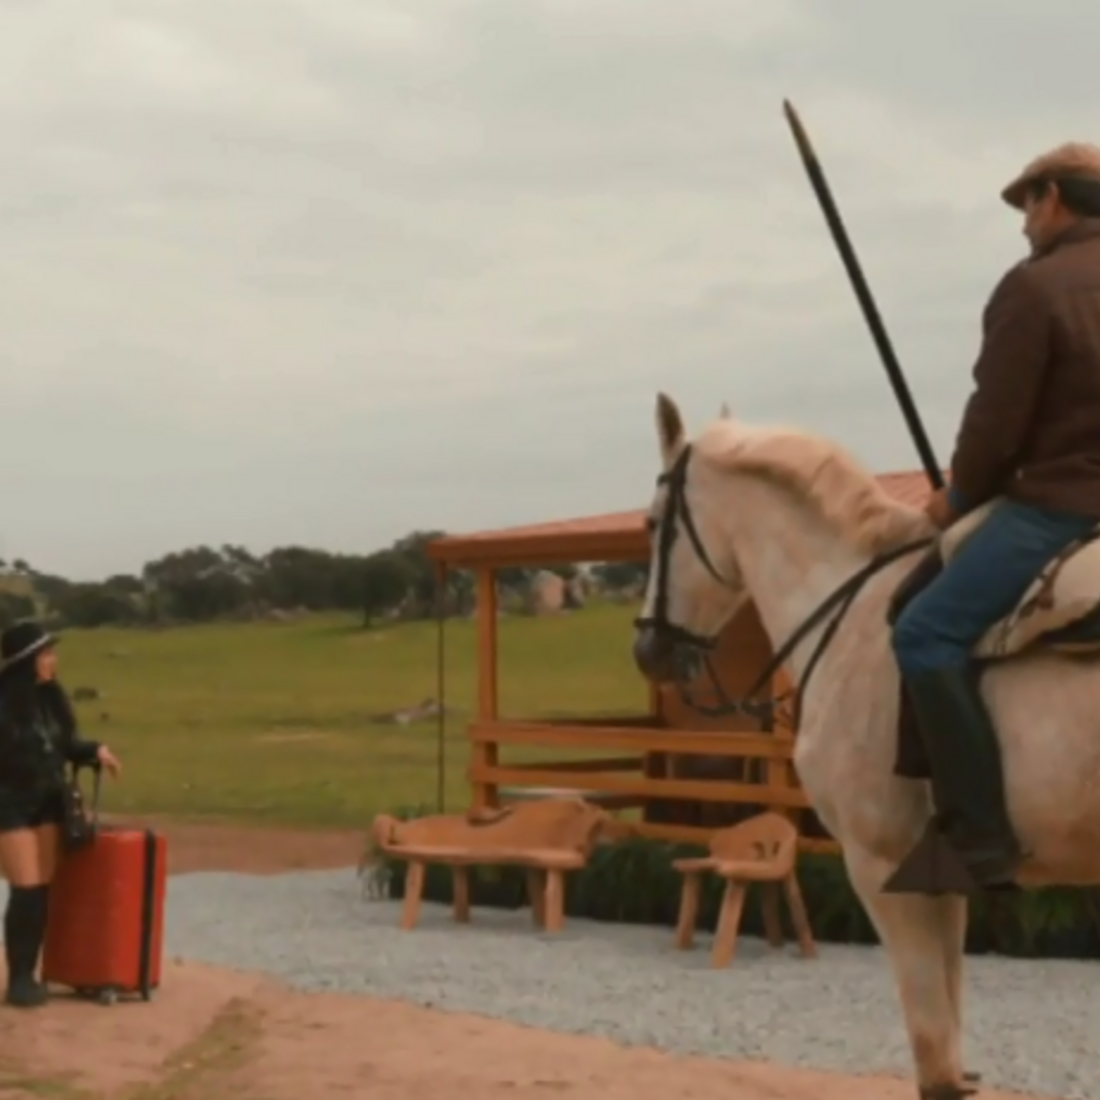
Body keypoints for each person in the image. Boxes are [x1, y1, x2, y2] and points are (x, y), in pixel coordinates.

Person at [891, 142, 1100, 890]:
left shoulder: (1034, 288)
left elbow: (997, 424)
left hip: (1060, 508)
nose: (1021, 225)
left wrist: (957, 495)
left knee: (923, 629)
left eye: (1025, 205)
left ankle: (979, 836)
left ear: (1053, 196)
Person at [0, 621, 121, 1007]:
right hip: (8, 805)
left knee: (41, 889)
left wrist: (95, 749)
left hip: (49, 801)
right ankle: (19, 978)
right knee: (26, 885)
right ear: (26, 661)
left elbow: (66, 744)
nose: (53, 660)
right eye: (46, 654)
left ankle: (30, 972)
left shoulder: (51, 700)